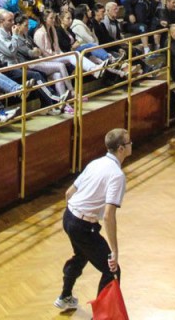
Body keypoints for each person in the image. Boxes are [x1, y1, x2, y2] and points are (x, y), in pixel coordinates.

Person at [53, 127, 132, 313]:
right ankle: (101, 316)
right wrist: (114, 251)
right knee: (112, 270)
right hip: (83, 226)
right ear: (121, 149)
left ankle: (65, 297)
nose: (132, 145)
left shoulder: (95, 163)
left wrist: (75, 217)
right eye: (129, 142)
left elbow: (69, 193)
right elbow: (109, 215)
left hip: (69, 217)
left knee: (81, 255)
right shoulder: (117, 175)